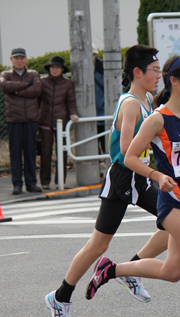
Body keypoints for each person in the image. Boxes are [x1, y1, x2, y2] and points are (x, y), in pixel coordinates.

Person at [84, 54, 180, 317]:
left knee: (172, 272)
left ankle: (110, 269)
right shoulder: (158, 119)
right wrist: (156, 176)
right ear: (174, 81)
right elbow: (129, 157)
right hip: (174, 199)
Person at [45, 45, 170, 317]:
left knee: (179, 224)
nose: (158, 75)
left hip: (140, 177)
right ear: (138, 72)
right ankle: (60, 296)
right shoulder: (130, 104)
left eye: (160, 70)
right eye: (155, 71)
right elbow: (126, 151)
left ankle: (131, 270)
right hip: (125, 177)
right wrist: (154, 173)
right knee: (99, 244)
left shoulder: (147, 99)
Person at [0, 48, 42, 195]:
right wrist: (26, 85)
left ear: (25, 60)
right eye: (16, 58)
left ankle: (31, 183)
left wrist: (15, 91)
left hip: (31, 118)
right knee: (15, 152)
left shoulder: (34, 74)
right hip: (14, 118)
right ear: (11, 59)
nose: (19, 61)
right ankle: (17, 184)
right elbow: (5, 86)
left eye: (21, 58)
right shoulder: (5, 74)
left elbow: (37, 90)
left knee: (30, 152)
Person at [39, 56, 79, 190]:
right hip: (44, 120)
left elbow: (70, 101)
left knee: (62, 153)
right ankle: (44, 182)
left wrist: (73, 113)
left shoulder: (67, 83)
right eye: (52, 67)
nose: (54, 70)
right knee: (45, 152)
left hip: (62, 121)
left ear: (62, 69)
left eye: (57, 67)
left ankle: (60, 181)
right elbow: (37, 100)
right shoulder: (42, 82)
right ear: (49, 69)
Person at [93, 43, 106, 154]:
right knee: (92, 147)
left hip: (103, 113)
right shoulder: (79, 69)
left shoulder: (104, 68)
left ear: (96, 54)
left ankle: (107, 169)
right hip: (88, 116)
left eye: (92, 54)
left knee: (106, 145)